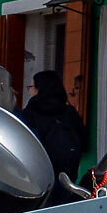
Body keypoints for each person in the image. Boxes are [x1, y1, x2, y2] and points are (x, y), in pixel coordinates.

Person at [21, 68, 88, 198]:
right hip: (68, 179)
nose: (29, 91)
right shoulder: (70, 113)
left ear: (39, 89)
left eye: (31, 86)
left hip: (39, 182)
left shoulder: (29, 114)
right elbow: (83, 143)